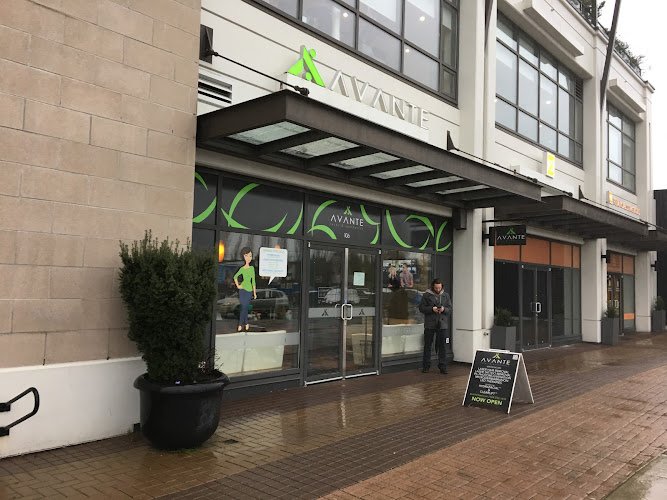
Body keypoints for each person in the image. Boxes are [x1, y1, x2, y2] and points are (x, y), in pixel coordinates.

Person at [418, 278, 452, 374]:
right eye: (436, 288)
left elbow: (450, 309)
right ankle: (426, 366)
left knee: (443, 346)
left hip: (442, 324)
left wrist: (444, 309)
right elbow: (421, 308)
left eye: (439, 288)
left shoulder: (446, 295)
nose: (438, 289)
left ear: (442, 287)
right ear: (433, 287)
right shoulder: (426, 295)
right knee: (428, 345)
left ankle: (443, 366)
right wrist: (431, 309)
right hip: (430, 324)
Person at [233, 247, 256, 332]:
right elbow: (235, 277)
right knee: (244, 307)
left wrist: (254, 292)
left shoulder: (252, 269)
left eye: (250, 256)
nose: (248, 258)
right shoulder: (242, 269)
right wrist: (238, 286)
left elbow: (253, 281)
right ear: (243, 257)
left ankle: (241, 324)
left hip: (249, 290)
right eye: (246, 256)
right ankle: (245, 323)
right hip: (242, 290)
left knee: (245, 307)